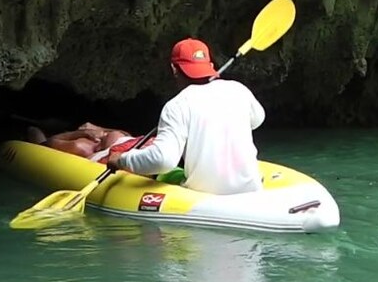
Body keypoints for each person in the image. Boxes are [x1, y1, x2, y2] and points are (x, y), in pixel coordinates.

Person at [106, 37, 267, 195]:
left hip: (205, 198)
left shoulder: (176, 106)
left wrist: (122, 160)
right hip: (251, 191)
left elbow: (163, 160)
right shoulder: (238, 90)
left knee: (161, 172)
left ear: (174, 69)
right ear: (210, 65)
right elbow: (258, 119)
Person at [26, 122, 155, 163]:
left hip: (112, 147)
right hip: (83, 144)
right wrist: (79, 134)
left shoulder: (119, 137)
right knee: (33, 131)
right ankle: (29, 128)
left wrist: (100, 129)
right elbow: (46, 145)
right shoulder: (80, 147)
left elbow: (125, 134)